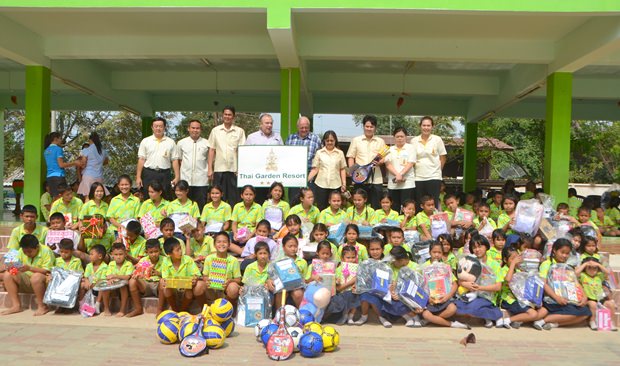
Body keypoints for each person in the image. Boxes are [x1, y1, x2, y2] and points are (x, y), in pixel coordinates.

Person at [1, 234, 54, 316]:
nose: (27, 254)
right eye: (25, 251)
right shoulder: (21, 251)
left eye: (29, 251)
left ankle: (42, 306)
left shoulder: (46, 251)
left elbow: (47, 271)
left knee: (36, 277)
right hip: (26, 279)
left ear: (37, 247)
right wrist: (11, 267)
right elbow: (17, 265)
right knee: (8, 274)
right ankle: (16, 306)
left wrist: (30, 268)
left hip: (43, 281)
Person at [207, 106, 246, 206]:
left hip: (234, 170)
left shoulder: (240, 131)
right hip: (219, 170)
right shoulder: (215, 130)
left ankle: (233, 220)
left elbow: (242, 151)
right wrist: (210, 169)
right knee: (219, 198)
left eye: (229, 115)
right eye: (225, 114)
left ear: (233, 117)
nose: (227, 116)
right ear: (222, 115)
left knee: (235, 198)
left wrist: (241, 168)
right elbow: (211, 149)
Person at [346, 115, 387, 209]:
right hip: (359, 178)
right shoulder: (356, 140)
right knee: (359, 205)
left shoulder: (380, 141)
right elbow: (351, 157)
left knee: (376, 206)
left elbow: (385, 158)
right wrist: (352, 173)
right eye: (367, 126)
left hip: (376, 178)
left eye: (371, 127)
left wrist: (380, 162)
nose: (369, 129)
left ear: (375, 128)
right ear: (363, 126)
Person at [135, 117, 180, 199]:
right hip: (149, 173)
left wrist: (177, 176)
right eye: (156, 126)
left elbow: (175, 160)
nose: (158, 128)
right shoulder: (145, 141)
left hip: (164, 174)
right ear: (152, 127)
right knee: (148, 197)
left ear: (165, 127)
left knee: (165, 196)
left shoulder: (171, 142)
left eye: (160, 126)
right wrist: (138, 177)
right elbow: (141, 159)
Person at [161, 237, 206, 312]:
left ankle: (183, 310)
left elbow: (197, 274)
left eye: (180, 248)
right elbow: (165, 278)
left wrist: (195, 278)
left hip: (187, 289)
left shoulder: (187, 259)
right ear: (169, 254)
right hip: (174, 290)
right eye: (177, 250)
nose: (180, 251)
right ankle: (174, 309)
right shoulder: (166, 261)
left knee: (189, 291)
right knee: (165, 287)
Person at [285, 116, 322, 204]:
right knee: (294, 201)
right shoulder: (290, 138)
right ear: (297, 127)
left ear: (309, 127)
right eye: (302, 127)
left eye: (306, 127)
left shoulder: (316, 139)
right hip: (294, 175)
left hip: (310, 175)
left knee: (309, 202)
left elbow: (320, 160)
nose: (304, 129)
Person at [412, 116, 446, 210]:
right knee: (419, 203)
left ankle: (433, 224)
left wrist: (438, 170)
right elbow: (412, 159)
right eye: (424, 125)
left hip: (434, 177)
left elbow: (443, 157)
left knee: (432, 204)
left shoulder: (437, 139)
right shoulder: (414, 141)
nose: (426, 127)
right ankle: (420, 223)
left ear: (432, 127)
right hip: (418, 177)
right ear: (420, 126)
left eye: (428, 125)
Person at [307, 130, 347, 211]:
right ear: (324, 141)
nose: (329, 142)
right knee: (321, 208)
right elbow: (315, 169)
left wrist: (344, 184)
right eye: (327, 140)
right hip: (321, 185)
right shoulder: (319, 153)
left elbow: (342, 169)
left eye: (331, 140)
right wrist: (305, 181)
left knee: (335, 207)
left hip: (336, 185)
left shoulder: (340, 153)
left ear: (335, 141)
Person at [176, 119, 210, 210]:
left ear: (201, 130)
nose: (195, 130)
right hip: (185, 179)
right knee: (186, 206)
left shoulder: (207, 143)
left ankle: (199, 224)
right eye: (193, 128)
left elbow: (210, 160)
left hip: (201, 180)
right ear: (188, 129)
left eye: (197, 128)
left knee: (200, 206)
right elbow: (179, 160)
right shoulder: (181, 143)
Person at [128, 239, 166, 317]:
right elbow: (137, 271)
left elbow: (170, 275)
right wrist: (137, 276)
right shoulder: (143, 260)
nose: (154, 254)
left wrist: (159, 273)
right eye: (151, 252)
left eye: (156, 251)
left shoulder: (165, 260)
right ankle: (138, 309)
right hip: (145, 285)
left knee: (163, 281)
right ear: (146, 252)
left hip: (158, 285)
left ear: (160, 250)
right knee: (132, 281)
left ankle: (160, 309)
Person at [203, 232, 242, 303]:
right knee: (201, 285)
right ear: (214, 245)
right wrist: (207, 280)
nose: (222, 244)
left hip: (226, 288)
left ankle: (226, 307)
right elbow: (205, 276)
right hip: (212, 288)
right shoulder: (209, 258)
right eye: (219, 242)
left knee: (233, 287)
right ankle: (206, 308)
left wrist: (230, 281)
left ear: (229, 244)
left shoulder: (234, 260)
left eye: (225, 242)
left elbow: (238, 279)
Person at [385, 127, 416, 212]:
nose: (400, 138)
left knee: (407, 207)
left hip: (407, 183)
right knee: (394, 207)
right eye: (397, 136)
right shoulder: (389, 149)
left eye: (402, 136)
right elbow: (388, 164)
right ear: (394, 137)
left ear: (406, 137)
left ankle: (406, 224)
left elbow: (411, 163)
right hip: (393, 183)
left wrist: (401, 174)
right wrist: (397, 175)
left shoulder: (411, 148)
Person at [44, 132, 82, 198]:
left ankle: (52, 208)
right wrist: (75, 163)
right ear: (55, 139)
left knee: (55, 197)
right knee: (62, 197)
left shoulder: (46, 150)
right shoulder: (58, 149)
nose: (61, 140)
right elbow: (61, 165)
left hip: (49, 177)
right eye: (60, 138)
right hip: (58, 176)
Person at [102, 242, 133, 317]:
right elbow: (108, 276)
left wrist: (115, 276)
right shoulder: (111, 264)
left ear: (125, 254)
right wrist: (110, 279)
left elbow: (127, 277)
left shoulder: (128, 264)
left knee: (123, 287)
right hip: (114, 286)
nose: (118, 257)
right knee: (106, 287)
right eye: (116, 255)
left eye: (121, 254)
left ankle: (122, 310)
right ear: (112, 255)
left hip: (124, 286)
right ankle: (106, 308)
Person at [77, 132, 110, 197]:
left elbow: (83, 164)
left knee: (87, 197)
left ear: (90, 140)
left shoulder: (86, 150)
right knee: (97, 197)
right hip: (99, 176)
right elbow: (106, 162)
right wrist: (98, 163)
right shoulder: (103, 151)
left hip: (88, 175)